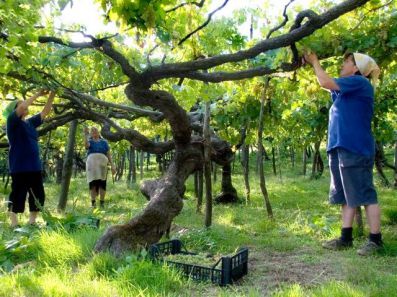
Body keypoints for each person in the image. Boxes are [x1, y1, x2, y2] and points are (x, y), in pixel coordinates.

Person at [303, 51, 383, 256]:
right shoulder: (345, 90)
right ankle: (345, 238)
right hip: (341, 147)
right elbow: (329, 83)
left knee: (365, 194)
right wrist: (309, 65)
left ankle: (375, 241)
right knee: (347, 195)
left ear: (356, 68)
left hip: (355, 147)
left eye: (346, 62)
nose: (342, 64)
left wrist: (315, 61)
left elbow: (325, 82)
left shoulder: (359, 83)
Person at [3, 89, 56, 228]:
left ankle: (32, 221)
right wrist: (38, 94)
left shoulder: (30, 123)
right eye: (22, 105)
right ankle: (14, 223)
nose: (26, 107)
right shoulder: (12, 122)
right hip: (19, 166)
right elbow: (22, 107)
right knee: (18, 194)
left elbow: (45, 112)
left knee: (37, 194)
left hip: (34, 166)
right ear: (15, 110)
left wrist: (52, 94)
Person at [84, 126, 116, 208]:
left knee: (102, 183)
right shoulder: (90, 141)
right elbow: (86, 146)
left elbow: (108, 154)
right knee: (92, 183)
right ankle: (93, 203)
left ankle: (102, 203)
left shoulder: (104, 142)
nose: (94, 132)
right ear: (91, 133)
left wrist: (112, 165)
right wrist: (85, 135)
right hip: (92, 165)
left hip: (102, 165)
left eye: (95, 131)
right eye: (92, 131)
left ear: (99, 132)